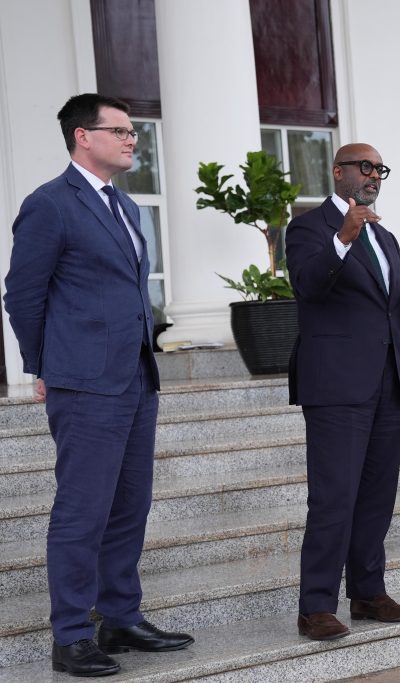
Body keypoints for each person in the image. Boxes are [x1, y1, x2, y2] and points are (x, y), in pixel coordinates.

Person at [3, 94, 193, 677]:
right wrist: (45, 366)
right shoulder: (50, 205)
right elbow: (23, 295)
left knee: (129, 505)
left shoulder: (127, 208)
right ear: (83, 137)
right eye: (121, 132)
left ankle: (121, 617)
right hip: (84, 382)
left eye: (133, 132)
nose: (132, 140)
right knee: (83, 510)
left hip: (135, 376)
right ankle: (69, 636)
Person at [285, 143, 400, 640]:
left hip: (385, 382)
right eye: (365, 167)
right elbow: (308, 287)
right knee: (333, 497)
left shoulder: (386, 236)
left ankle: (369, 592)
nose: (374, 176)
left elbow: (388, 307)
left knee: (377, 496)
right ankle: (316, 606)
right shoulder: (308, 228)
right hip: (335, 385)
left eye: (380, 170)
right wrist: (342, 240)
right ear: (339, 171)